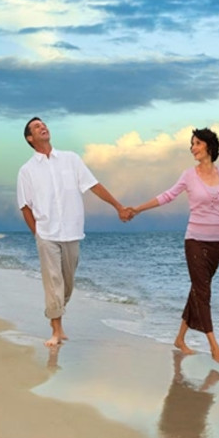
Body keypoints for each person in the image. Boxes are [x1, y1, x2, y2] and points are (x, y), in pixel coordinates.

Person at [17, 117, 131, 347]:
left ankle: (55, 318)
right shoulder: (26, 171)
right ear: (30, 138)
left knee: (67, 284)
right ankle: (57, 330)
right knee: (54, 282)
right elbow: (25, 206)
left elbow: (94, 186)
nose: (43, 127)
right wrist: (37, 233)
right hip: (47, 234)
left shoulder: (71, 159)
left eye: (44, 124)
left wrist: (118, 206)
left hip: (72, 232)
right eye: (37, 127)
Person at [130, 127, 219, 363]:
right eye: (192, 144)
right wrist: (138, 209)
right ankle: (214, 345)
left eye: (197, 143)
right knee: (203, 291)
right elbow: (167, 196)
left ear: (209, 146)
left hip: (217, 242)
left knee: (197, 291)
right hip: (195, 241)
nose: (193, 148)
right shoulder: (189, 175)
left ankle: (180, 338)